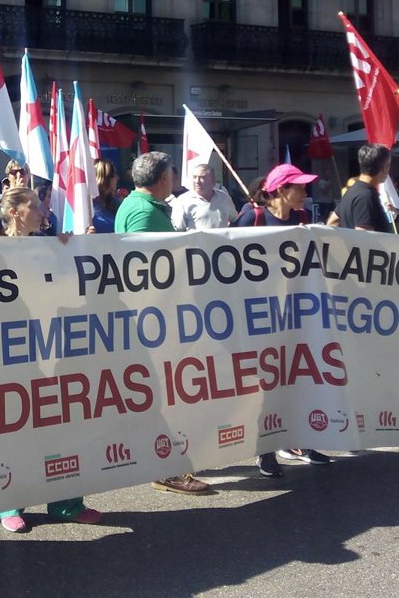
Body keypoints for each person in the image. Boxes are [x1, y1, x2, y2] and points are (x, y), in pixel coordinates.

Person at [0, 187, 102, 533]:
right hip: (14, 354)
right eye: (34, 205)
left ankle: (66, 502)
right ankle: (9, 503)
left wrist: (73, 249)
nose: (42, 210)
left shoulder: (50, 245)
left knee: (61, 427)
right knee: (16, 428)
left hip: (56, 350)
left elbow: (70, 289)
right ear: (15, 212)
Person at [116, 152, 212, 495]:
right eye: (172, 173)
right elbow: (143, 269)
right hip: (153, 319)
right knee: (162, 396)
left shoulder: (144, 206)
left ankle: (167, 464)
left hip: (157, 316)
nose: (175, 178)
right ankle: (166, 468)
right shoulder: (143, 212)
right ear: (162, 179)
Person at [235, 163, 331, 475]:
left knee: (300, 378)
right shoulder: (253, 217)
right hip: (260, 317)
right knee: (268, 385)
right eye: (299, 187)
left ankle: (302, 441)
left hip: (295, 314)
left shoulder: (302, 218)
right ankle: (266, 450)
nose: (305, 192)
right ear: (280, 190)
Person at [330, 144, 392, 233]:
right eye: (388, 165)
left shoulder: (352, 191)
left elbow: (332, 222)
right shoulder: (366, 196)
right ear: (383, 167)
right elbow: (363, 236)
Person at [114, 151, 174, 234]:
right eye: (171, 175)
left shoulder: (134, 203)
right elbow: (137, 242)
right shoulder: (143, 212)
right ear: (164, 178)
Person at [171, 163, 237, 231]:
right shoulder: (183, 200)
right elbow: (178, 229)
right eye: (194, 177)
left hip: (221, 238)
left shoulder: (223, 198)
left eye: (202, 177)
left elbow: (235, 221)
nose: (197, 181)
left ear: (213, 180)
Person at [92, 159, 121, 234]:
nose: (117, 178)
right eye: (114, 174)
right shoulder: (87, 208)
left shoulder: (114, 203)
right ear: (106, 178)